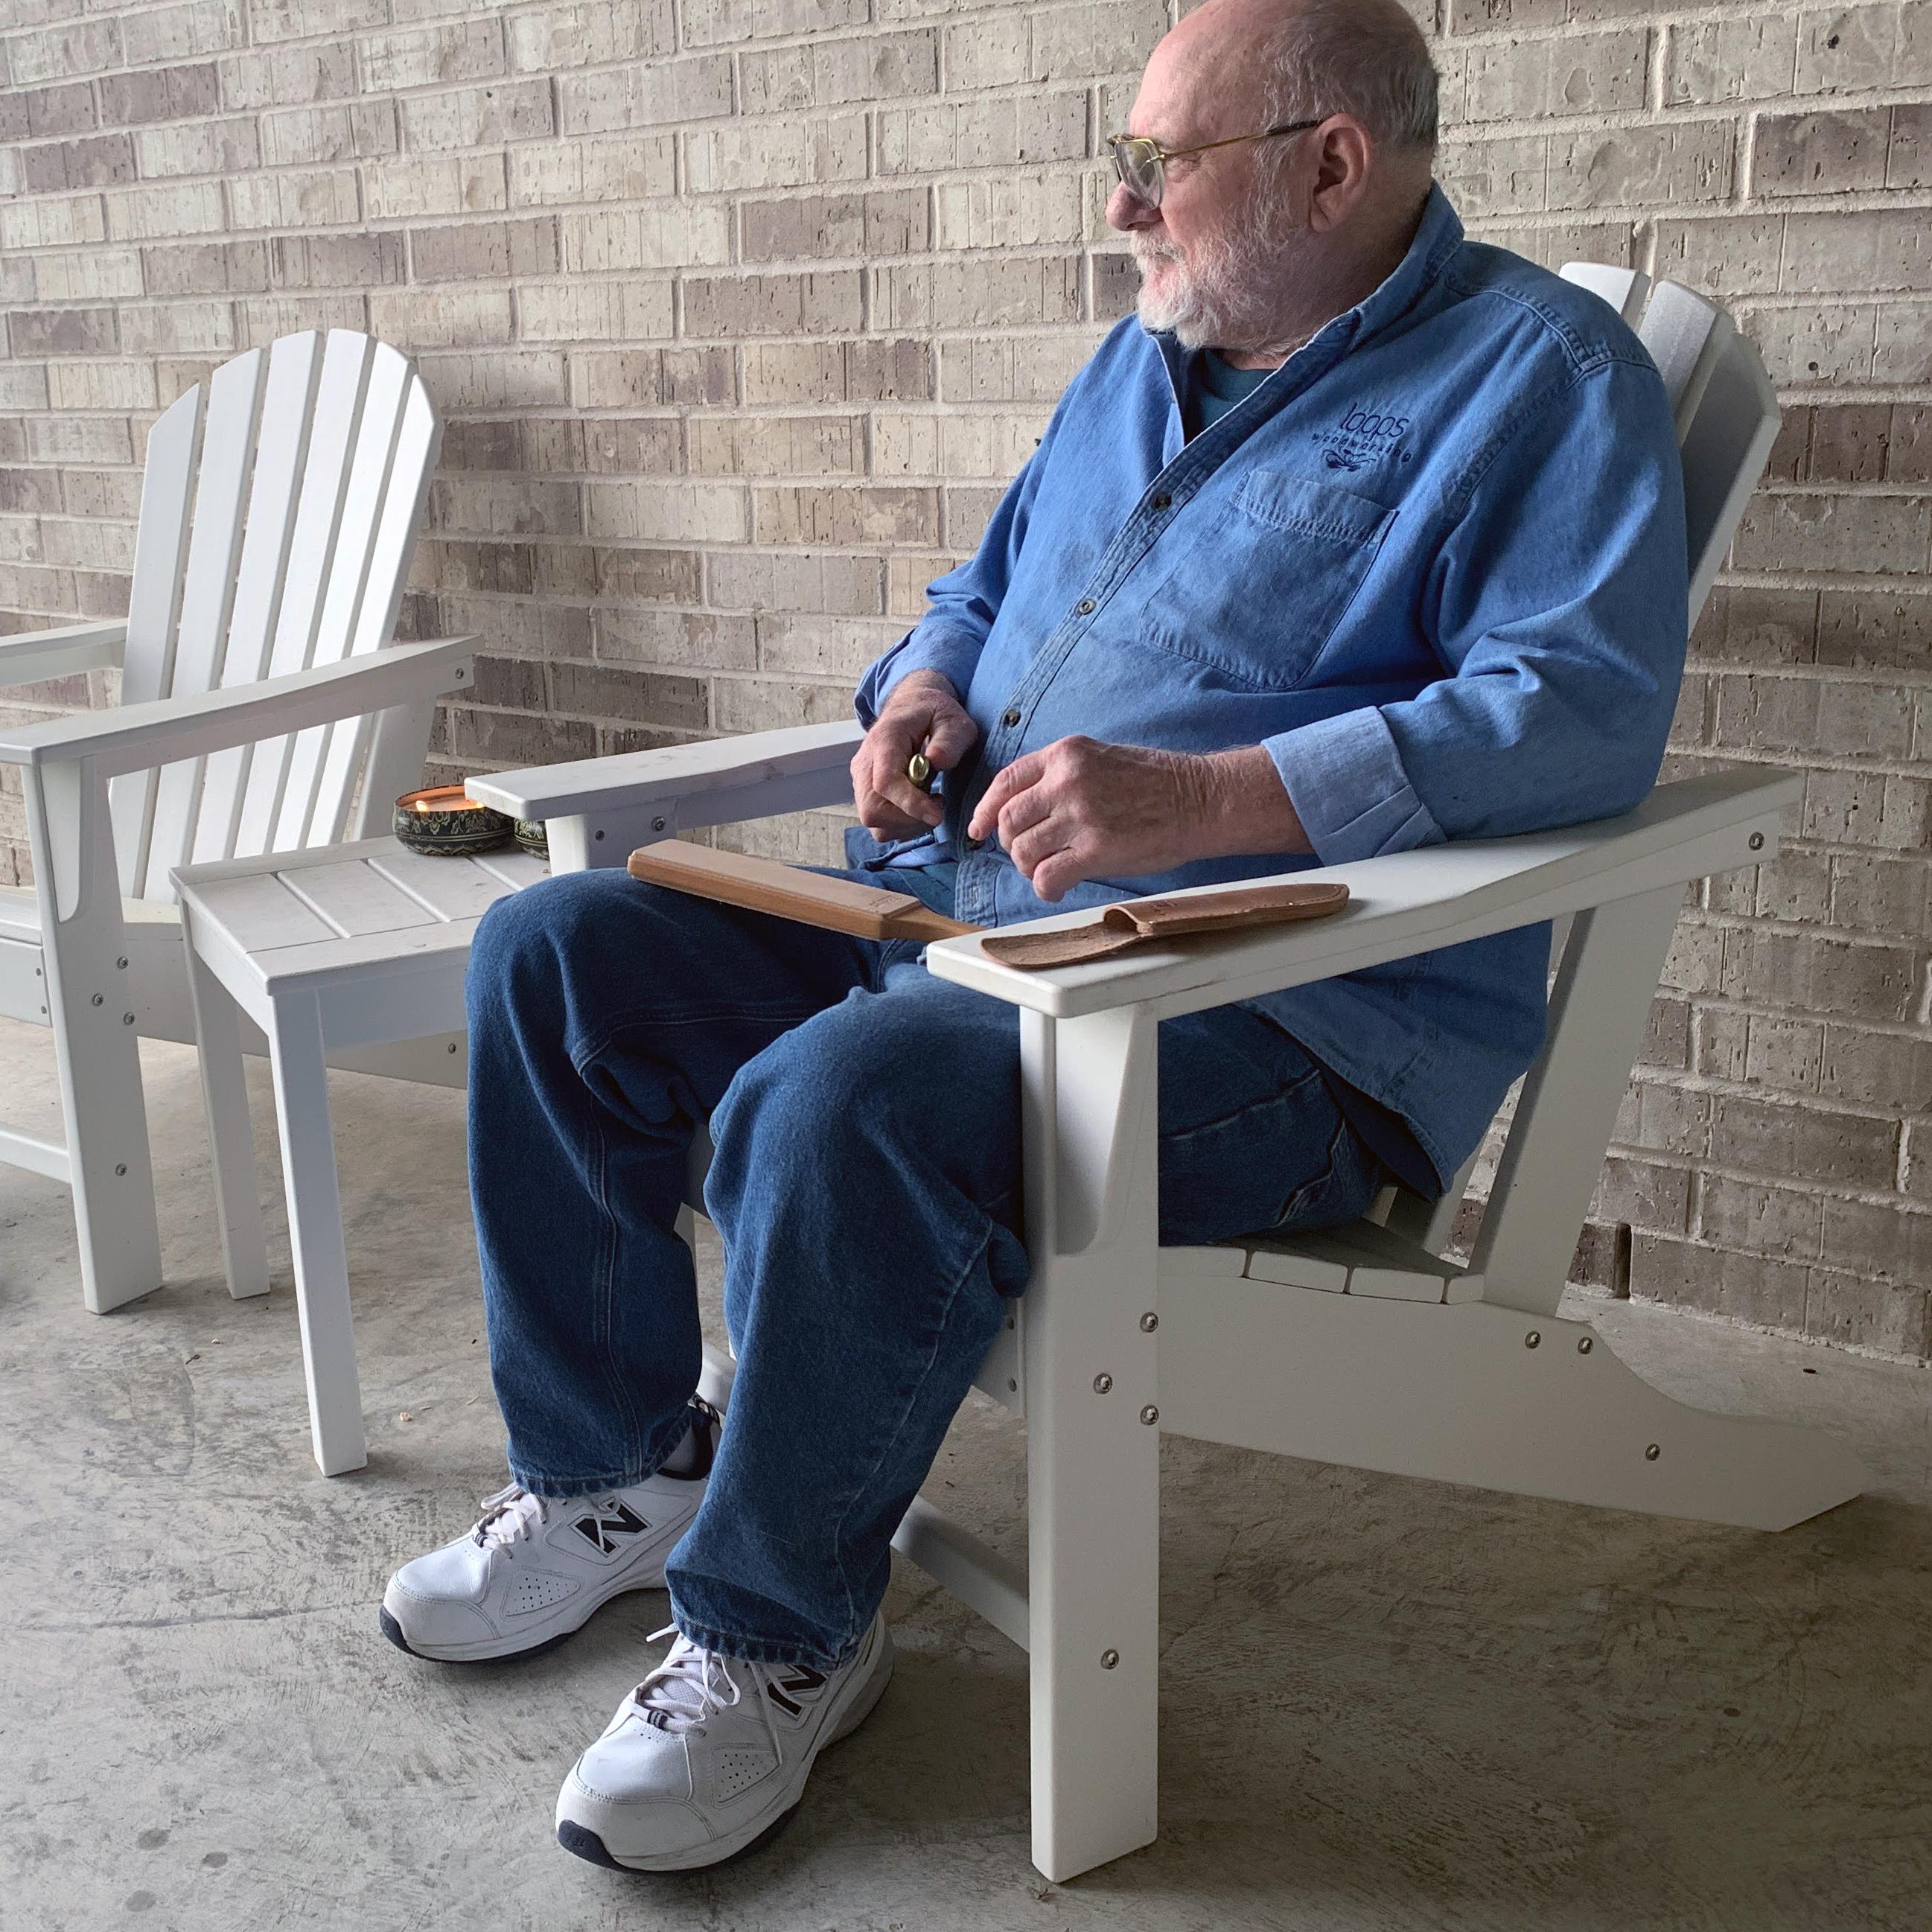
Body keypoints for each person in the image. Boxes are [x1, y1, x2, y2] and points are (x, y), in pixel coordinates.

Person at [382, 0, 1688, 1874]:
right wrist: (922, 685)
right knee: (556, 953)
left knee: (849, 1091)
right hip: (964, 924)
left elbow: (1575, 710)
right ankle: (607, 1481)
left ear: (1330, 161)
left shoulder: (1540, 381)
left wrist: (1210, 798)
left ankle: (777, 1635)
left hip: (1264, 1019)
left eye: (1159, 164)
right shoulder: (1144, 353)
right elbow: (986, 580)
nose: (1120, 203)